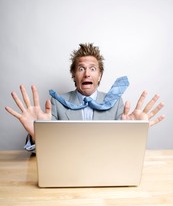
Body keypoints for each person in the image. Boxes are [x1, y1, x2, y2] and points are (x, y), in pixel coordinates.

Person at [5, 43, 165, 151]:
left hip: (105, 170)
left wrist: (134, 133)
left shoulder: (115, 103)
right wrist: (36, 135)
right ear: (74, 75)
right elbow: (47, 150)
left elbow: (122, 149)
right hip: (67, 172)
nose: (87, 73)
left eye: (93, 69)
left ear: (100, 75)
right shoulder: (58, 103)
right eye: (81, 69)